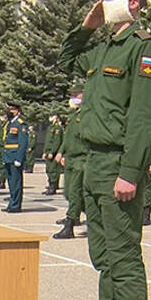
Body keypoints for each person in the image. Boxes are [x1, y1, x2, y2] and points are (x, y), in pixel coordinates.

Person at [59, 0, 151, 300]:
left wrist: (130, 172)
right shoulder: (102, 49)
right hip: (92, 162)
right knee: (101, 252)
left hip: (117, 163)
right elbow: (65, 62)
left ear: (133, 2)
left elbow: (144, 117)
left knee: (123, 254)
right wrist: (87, 26)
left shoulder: (143, 46)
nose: (104, 1)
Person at [54, 85, 88, 238]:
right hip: (70, 159)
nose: (73, 98)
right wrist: (61, 152)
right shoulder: (74, 115)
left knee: (74, 193)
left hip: (81, 159)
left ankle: (69, 225)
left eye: (76, 94)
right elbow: (68, 138)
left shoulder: (87, 115)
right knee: (68, 192)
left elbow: (89, 139)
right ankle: (94, 216)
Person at [1, 102, 28, 213]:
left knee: (16, 182)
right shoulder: (10, 124)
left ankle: (16, 205)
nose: (9, 112)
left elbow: (23, 142)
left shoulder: (20, 124)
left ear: (17, 111)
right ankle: (12, 203)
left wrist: (19, 158)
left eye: (11, 109)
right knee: (11, 182)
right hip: (8, 156)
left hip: (15, 156)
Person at [42, 114, 63, 195]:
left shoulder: (58, 128)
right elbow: (47, 141)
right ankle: (50, 185)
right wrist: (44, 152)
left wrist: (52, 152)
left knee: (53, 170)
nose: (50, 118)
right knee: (48, 170)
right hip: (48, 152)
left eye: (52, 116)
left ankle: (53, 187)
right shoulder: (50, 127)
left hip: (53, 153)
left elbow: (57, 142)